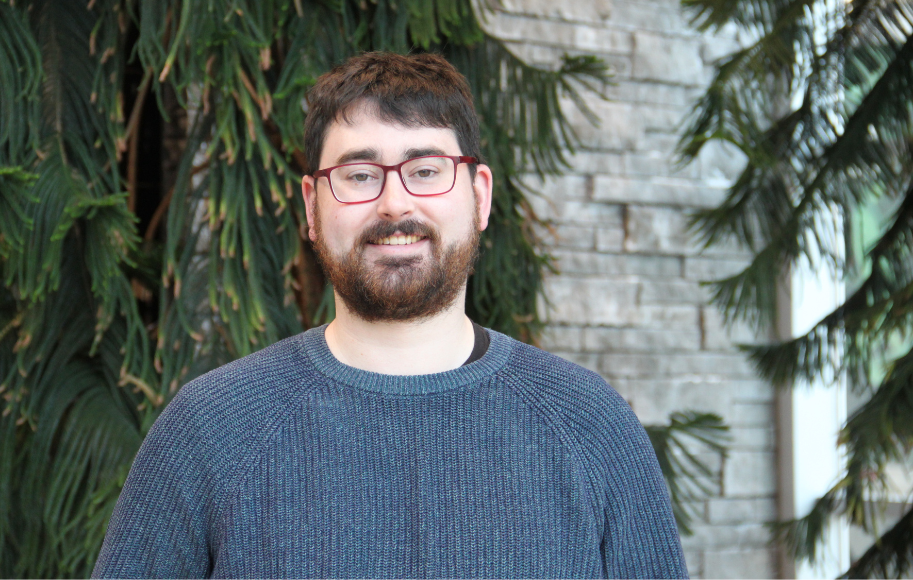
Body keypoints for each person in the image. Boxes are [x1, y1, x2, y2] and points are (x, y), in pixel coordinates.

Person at [92, 51, 688, 579]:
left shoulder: (588, 424)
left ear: (478, 195)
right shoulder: (211, 429)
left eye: (426, 170)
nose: (395, 202)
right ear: (312, 206)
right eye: (359, 175)